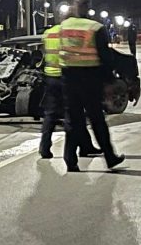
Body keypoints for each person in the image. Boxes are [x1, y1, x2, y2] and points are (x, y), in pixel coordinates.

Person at [59, 0, 125, 172]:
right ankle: (110, 157)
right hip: (90, 78)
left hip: (68, 77)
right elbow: (105, 57)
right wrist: (110, 79)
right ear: (88, 8)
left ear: (74, 7)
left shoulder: (64, 26)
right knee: (97, 119)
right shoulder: (95, 27)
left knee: (73, 119)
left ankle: (70, 160)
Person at [39, 19, 101, 159]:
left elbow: (44, 52)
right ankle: (82, 148)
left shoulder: (48, 33)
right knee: (74, 114)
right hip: (66, 76)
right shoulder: (66, 33)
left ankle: (44, 147)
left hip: (50, 75)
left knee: (50, 114)